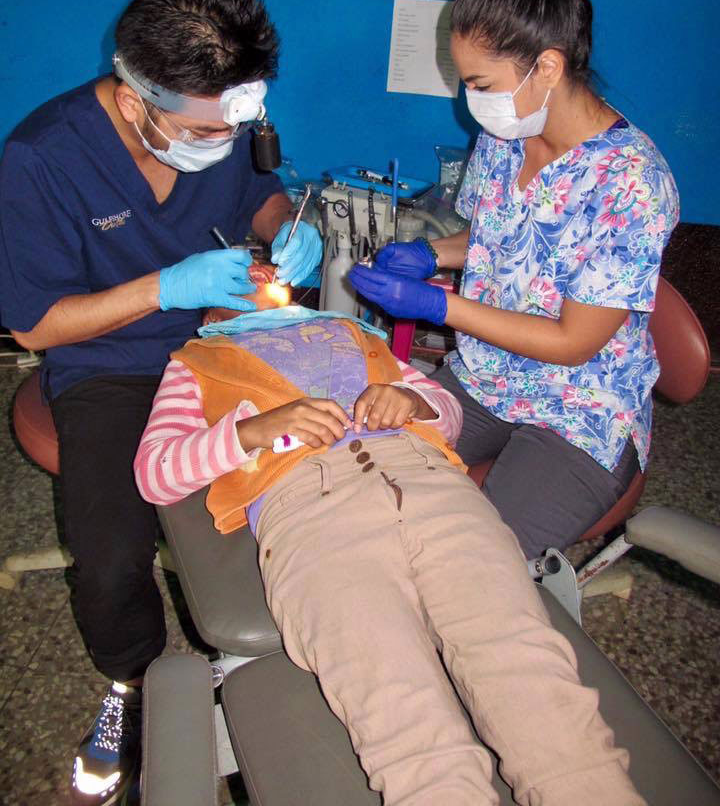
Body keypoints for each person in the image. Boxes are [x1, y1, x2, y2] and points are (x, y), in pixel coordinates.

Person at [0, 0, 322, 805]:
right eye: (204, 129)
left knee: (317, 484)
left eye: (236, 125)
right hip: (108, 364)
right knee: (109, 560)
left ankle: (299, 659)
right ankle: (132, 684)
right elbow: (36, 327)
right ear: (133, 96)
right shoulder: (41, 158)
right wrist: (163, 287)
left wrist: (291, 230)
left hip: (222, 339)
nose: (223, 140)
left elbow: (262, 194)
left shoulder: (225, 118)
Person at [134, 301, 646, 806]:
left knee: (525, 663)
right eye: (244, 276)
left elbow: (447, 414)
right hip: (311, 513)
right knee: (397, 704)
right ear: (210, 316)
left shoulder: (354, 334)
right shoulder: (196, 364)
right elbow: (155, 473)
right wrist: (252, 431)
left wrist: (412, 402)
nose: (264, 276)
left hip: (435, 486)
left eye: (268, 271)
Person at [349, 0, 679, 559]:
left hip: (579, 407)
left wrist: (439, 305)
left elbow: (572, 342)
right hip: (486, 376)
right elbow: (495, 235)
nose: (470, 99)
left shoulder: (633, 182)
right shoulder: (507, 135)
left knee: (472, 561)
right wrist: (429, 254)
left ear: (547, 67)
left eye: (481, 84)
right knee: (359, 474)